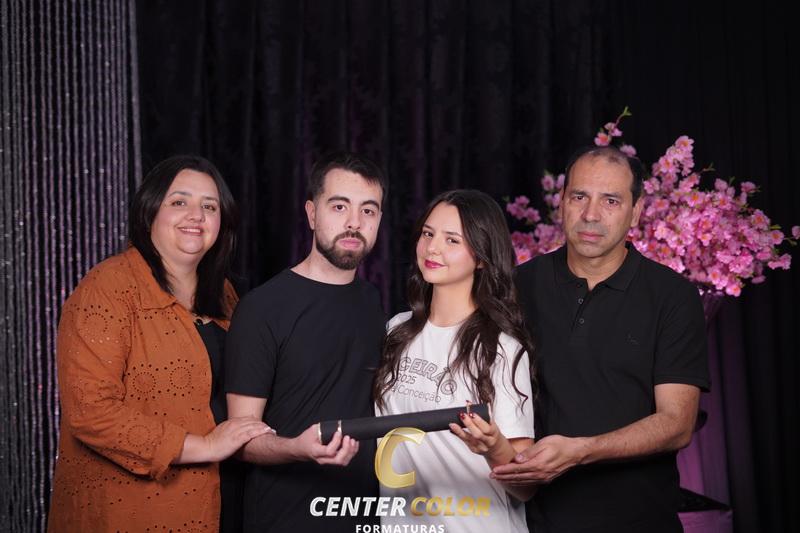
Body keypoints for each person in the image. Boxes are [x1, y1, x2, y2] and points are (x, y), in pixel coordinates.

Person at [48, 155, 272, 532]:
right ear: (150, 210)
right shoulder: (107, 288)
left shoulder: (226, 295)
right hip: (134, 510)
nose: (196, 216)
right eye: (179, 201)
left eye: (210, 206)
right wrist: (205, 446)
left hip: (224, 498)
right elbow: (90, 410)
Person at [494, 145, 710, 532]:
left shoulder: (672, 296)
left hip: (640, 522)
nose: (591, 215)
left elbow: (677, 423)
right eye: (579, 197)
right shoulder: (518, 286)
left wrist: (581, 451)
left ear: (636, 211)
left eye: (611, 200)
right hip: (537, 522)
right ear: (562, 202)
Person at [225, 151, 388, 532]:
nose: (354, 222)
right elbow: (240, 437)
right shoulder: (262, 308)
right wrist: (296, 448)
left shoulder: (372, 302)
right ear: (312, 214)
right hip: (285, 518)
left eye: (368, 210)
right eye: (339, 206)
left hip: (362, 517)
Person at [374, 189, 537, 532]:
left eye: (452, 240)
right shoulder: (395, 332)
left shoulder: (501, 349)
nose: (432, 248)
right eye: (428, 234)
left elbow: (525, 487)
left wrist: (494, 447)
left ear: (481, 258)